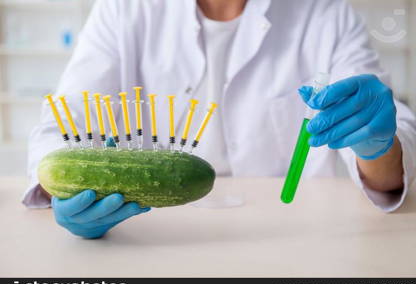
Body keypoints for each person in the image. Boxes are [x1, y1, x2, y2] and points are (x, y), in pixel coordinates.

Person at [25, 0, 416, 238]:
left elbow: (389, 169)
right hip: (158, 232)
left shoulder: (325, 13)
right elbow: (62, 121)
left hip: (292, 229)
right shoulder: (125, 8)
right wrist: (64, 184)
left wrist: (377, 143)